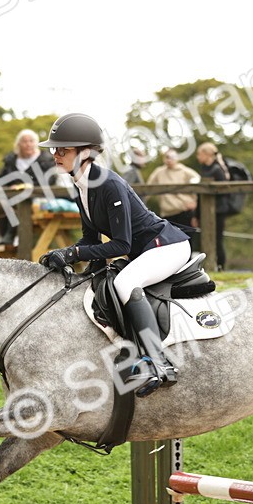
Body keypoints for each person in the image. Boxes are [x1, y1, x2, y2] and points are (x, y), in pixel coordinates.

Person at [37, 113, 191, 397]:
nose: (55, 154)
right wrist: (69, 255)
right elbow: (90, 238)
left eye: (63, 149)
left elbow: (120, 244)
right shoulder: (80, 184)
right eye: (54, 149)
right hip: (142, 250)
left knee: (124, 284)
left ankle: (158, 363)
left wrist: (73, 252)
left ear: (85, 153)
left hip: (166, 247)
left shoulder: (108, 184)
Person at [0, 129, 58, 245]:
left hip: (37, 197)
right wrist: (10, 187)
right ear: (18, 144)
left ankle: (12, 235)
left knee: (20, 202)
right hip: (12, 196)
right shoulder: (11, 161)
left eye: (31, 141)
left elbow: (50, 180)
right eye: (24, 141)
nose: (28, 144)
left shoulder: (46, 160)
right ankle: (6, 237)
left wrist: (27, 186)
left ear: (36, 143)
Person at [193, 142, 233, 270]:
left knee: (217, 240)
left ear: (206, 154)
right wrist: (197, 214)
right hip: (205, 211)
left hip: (218, 211)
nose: (197, 157)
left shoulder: (217, 170)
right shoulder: (206, 169)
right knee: (205, 239)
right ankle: (207, 267)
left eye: (199, 154)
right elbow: (201, 195)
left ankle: (221, 267)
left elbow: (223, 192)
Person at [146, 150, 199, 227]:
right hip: (167, 213)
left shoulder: (184, 171)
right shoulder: (159, 172)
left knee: (187, 237)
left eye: (172, 157)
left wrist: (195, 202)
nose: (169, 160)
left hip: (184, 210)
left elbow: (198, 182)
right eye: (167, 157)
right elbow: (148, 188)